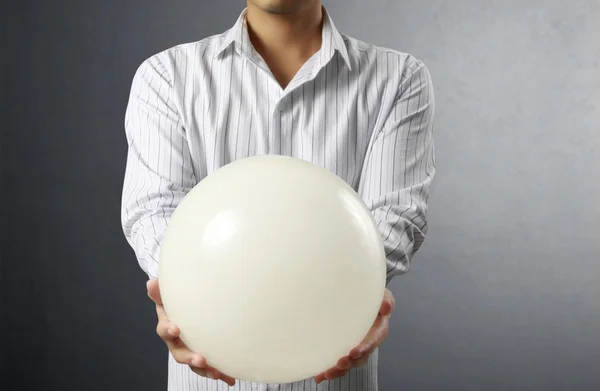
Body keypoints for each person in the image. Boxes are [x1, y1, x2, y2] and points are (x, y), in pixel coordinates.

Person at [121, 0, 436, 390]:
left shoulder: (398, 79)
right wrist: (185, 285)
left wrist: (352, 284)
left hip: (330, 365)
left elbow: (395, 216)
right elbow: (153, 211)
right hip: (211, 364)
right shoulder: (166, 77)